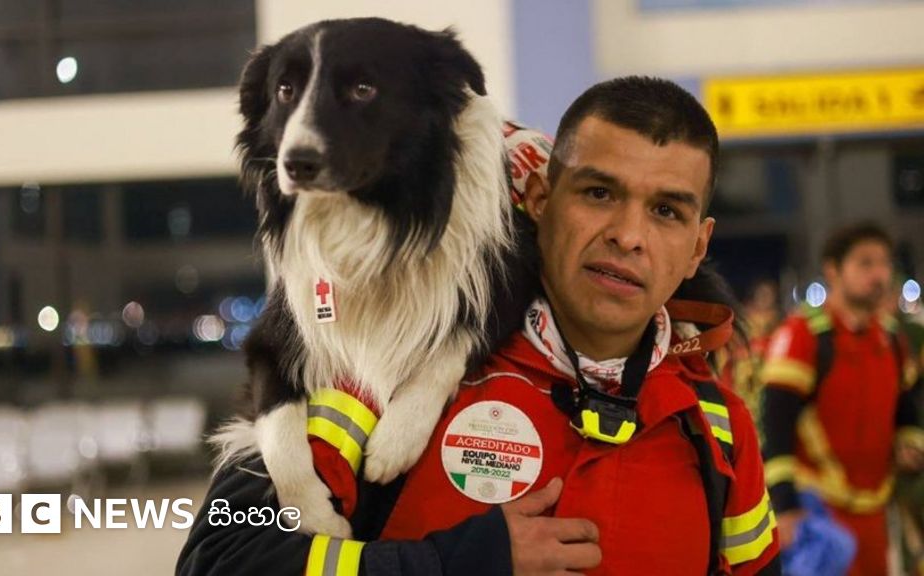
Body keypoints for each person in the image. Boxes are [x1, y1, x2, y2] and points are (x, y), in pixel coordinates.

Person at [177, 77, 780, 575]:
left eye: (666, 210)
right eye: (599, 193)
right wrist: (457, 562)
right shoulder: (389, 369)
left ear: (698, 247)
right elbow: (221, 558)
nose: (628, 236)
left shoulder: (718, 428)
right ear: (539, 199)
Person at [760, 222, 923, 575]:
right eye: (865, 263)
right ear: (833, 270)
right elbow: (775, 425)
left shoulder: (891, 338)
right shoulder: (802, 335)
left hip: (877, 509)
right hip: (819, 514)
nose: (879, 274)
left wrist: (909, 441)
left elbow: (904, 404)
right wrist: (785, 507)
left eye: (884, 263)